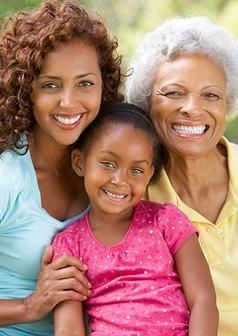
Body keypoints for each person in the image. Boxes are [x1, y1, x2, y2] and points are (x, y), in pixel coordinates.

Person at [0, 1, 123, 335]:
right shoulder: (7, 178)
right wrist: (31, 305)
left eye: (84, 83)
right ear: (26, 90)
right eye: (50, 85)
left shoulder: (112, 174)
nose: (69, 102)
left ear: (104, 86)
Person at [52, 102, 218, 336]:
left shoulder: (166, 221)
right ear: (80, 162)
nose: (120, 180)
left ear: (149, 174)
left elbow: (203, 299)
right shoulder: (70, 245)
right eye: (108, 164)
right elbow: (68, 328)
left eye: (136, 170)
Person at [125, 16, 238, 336]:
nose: (192, 108)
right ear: (147, 102)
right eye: (174, 93)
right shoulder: (129, 197)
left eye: (210, 95)